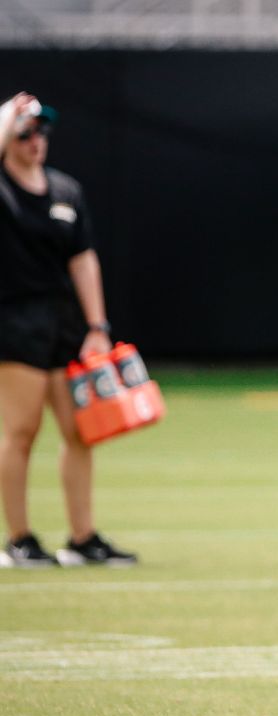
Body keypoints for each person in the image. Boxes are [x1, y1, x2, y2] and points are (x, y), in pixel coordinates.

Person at [0, 93, 136, 568]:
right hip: (15, 322)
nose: (36, 141)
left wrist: (97, 325)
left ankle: (82, 538)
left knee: (81, 432)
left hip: (64, 322)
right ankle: (19, 539)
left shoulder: (64, 191)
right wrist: (5, 119)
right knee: (21, 431)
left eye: (41, 132)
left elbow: (83, 261)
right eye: (25, 133)